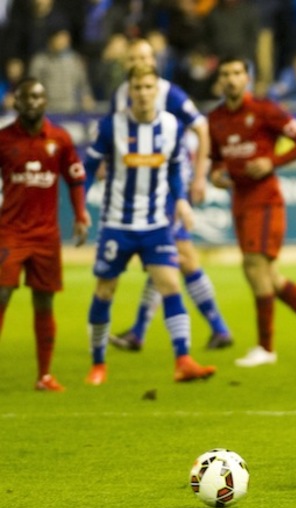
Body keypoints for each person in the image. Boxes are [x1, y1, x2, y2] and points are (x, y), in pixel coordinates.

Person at [83, 64, 217, 385]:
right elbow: (88, 167)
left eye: (148, 87)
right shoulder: (110, 126)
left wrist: (181, 200)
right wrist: (80, 208)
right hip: (117, 223)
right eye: (137, 88)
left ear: (157, 90)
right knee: (105, 290)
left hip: (156, 223)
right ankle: (98, 364)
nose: (143, 93)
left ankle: (183, 360)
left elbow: (173, 168)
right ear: (129, 91)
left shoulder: (171, 126)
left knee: (170, 285)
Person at [208, 56, 296, 367]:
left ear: (247, 78)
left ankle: (266, 348)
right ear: (220, 81)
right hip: (239, 200)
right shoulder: (215, 118)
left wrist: (273, 162)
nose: (231, 79)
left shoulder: (264, 110)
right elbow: (216, 158)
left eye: (237, 73)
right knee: (267, 275)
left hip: (265, 200)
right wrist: (216, 174)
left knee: (255, 268)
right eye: (225, 74)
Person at [106, 38, 233, 352]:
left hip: (168, 187)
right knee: (164, 259)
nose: (140, 60)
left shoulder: (168, 93)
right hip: (141, 191)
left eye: (146, 55)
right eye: (135, 56)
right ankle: (142, 330)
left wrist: (199, 176)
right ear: (126, 63)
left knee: (178, 256)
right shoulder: (121, 96)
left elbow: (202, 128)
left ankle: (216, 328)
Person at [0, 77, 89, 392]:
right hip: (9, 233)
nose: (33, 102)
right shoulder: (3, 139)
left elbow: (75, 176)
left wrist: (80, 214)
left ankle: (45, 376)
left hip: (46, 236)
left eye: (38, 97)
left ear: (45, 101)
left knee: (44, 303)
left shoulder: (60, 139)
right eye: (27, 97)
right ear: (16, 103)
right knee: (1, 296)